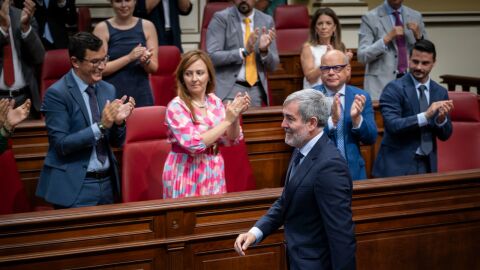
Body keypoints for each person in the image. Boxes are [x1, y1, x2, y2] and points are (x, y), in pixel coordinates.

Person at [234, 89, 356, 270]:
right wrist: (255, 232)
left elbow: (341, 235)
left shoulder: (330, 166)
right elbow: (286, 201)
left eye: (290, 119)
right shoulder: (300, 149)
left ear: (311, 123)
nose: (283, 124)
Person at [36, 32, 136, 208]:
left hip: (107, 184)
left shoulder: (108, 89)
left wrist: (119, 123)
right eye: (95, 62)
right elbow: (60, 145)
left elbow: (116, 142)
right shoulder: (57, 94)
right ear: (75, 62)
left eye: (104, 59)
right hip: (75, 187)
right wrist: (101, 126)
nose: (102, 66)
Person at [162, 50, 250, 199]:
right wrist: (227, 121)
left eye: (200, 73)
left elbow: (230, 139)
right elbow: (194, 144)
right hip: (185, 172)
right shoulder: (176, 106)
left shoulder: (214, 101)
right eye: (188, 74)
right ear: (182, 78)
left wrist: (234, 117)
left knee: (212, 219)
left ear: (209, 75)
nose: (194, 79)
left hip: (213, 169)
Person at [372, 39, 453, 178]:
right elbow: (393, 125)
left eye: (425, 63)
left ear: (434, 63)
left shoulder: (440, 92)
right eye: (415, 61)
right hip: (397, 166)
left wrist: (441, 120)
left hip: (428, 164)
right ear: (409, 59)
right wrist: (426, 116)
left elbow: (445, 135)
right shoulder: (394, 89)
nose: (419, 67)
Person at [313, 50, 377, 180]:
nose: (331, 72)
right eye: (326, 68)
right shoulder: (310, 96)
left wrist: (357, 120)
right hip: (320, 173)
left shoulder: (361, 96)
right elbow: (305, 137)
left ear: (347, 70)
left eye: (336, 68)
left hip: (354, 172)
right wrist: (332, 122)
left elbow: (370, 138)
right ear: (321, 71)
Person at [206, 0, 279, 106]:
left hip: (256, 90)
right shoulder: (221, 18)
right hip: (230, 89)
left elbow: (274, 66)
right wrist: (244, 52)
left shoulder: (266, 20)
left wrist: (264, 51)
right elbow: (212, 57)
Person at [94, 0, 159, 107]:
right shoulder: (102, 28)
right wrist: (129, 58)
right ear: (111, 3)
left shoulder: (148, 26)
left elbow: (154, 68)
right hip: (112, 95)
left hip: (141, 93)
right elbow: (99, 69)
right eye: (118, 1)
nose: (124, 5)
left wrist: (145, 62)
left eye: (128, 0)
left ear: (135, 2)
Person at [357, 0, 427, 100]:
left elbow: (428, 54)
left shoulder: (416, 16)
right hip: (380, 86)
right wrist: (386, 39)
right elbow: (362, 56)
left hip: (411, 83)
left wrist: (419, 38)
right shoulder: (370, 18)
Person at [0, 0, 45, 116]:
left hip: (24, 99)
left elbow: (39, 57)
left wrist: (26, 28)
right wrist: (3, 30)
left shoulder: (23, 15)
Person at [301, 7, 352, 89]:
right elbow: (310, 78)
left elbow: (347, 80)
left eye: (328, 23)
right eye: (320, 23)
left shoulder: (340, 46)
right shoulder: (308, 47)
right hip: (315, 95)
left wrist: (346, 64)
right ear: (315, 28)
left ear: (334, 27)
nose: (324, 27)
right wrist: (325, 59)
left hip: (336, 94)